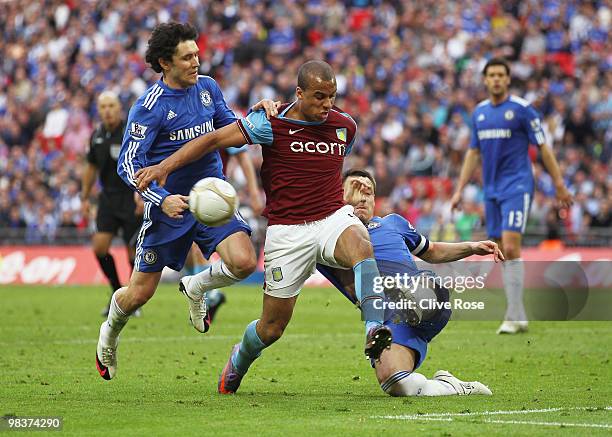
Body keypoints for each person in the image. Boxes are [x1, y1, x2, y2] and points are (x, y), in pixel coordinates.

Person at [134, 60, 392, 394]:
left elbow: (326, 171)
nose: (327, 105)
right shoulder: (270, 122)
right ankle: (239, 359)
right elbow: (213, 140)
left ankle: (374, 329)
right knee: (271, 328)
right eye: (318, 97)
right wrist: (164, 167)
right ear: (299, 94)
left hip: (331, 219)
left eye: (331, 96)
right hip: (287, 233)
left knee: (361, 244)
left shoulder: (345, 126)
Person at [95, 22, 278, 381]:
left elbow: (232, 134)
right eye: (187, 57)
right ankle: (109, 334)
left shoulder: (208, 88)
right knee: (138, 294)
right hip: (169, 209)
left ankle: (197, 286)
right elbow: (128, 165)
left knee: (243, 262)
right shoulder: (148, 107)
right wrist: (161, 200)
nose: (197, 62)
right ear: (165, 62)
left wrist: (257, 116)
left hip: (211, 200)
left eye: (197, 54)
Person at [318, 169, 501, 396]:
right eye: (356, 189)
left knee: (418, 290)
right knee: (396, 383)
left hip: (418, 298)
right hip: (386, 316)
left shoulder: (393, 223)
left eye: (369, 192)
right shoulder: (325, 237)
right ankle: (450, 386)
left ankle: (423, 296)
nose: (363, 197)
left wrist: (471, 247)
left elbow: (432, 251)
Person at [450, 58, 572, 335]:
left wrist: (559, 184)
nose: (495, 79)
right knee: (500, 247)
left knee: (512, 243)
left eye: (500, 75)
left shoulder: (522, 110)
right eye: (490, 75)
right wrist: (459, 189)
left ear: (507, 79)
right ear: (484, 80)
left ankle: (513, 314)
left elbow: (543, 147)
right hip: (491, 189)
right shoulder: (480, 113)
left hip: (517, 185)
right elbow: (472, 153)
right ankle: (518, 313)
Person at [81, 91, 142, 317]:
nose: (107, 110)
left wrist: (143, 193)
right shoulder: (96, 135)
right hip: (107, 198)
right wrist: (85, 196)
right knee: (99, 247)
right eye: (103, 106)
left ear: (119, 108)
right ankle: (117, 291)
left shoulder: (131, 132)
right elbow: (90, 167)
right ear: (99, 110)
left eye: (111, 106)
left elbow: (144, 160)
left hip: (131, 196)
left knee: (132, 253)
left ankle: (132, 298)